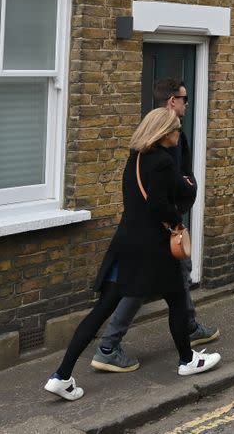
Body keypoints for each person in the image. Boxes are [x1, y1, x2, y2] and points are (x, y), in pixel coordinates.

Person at [44, 109, 221, 400]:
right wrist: (176, 220)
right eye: (176, 130)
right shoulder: (163, 163)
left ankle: (62, 375)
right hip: (152, 248)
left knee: (102, 310)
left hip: (126, 244)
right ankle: (188, 360)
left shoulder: (135, 158)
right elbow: (158, 207)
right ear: (164, 132)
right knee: (177, 298)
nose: (179, 135)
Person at [91, 78, 218, 373]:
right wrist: (177, 213)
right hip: (158, 227)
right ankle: (109, 345)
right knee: (141, 286)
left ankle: (186, 326)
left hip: (152, 224)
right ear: (172, 101)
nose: (187, 104)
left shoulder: (151, 137)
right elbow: (172, 183)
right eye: (184, 99)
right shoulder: (165, 137)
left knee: (175, 277)